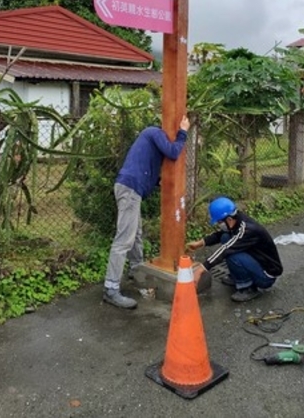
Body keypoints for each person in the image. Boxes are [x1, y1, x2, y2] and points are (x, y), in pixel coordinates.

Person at [103, 115, 190, 309]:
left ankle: (136, 270)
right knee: (124, 239)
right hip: (130, 189)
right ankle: (111, 288)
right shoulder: (154, 132)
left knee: (136, 235)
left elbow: (150, 169)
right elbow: (174, 152)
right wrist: (183, 132)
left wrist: (160, 182)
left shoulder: (151, 139)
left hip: (132, 189)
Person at [186, 196, 283, 302]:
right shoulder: (237, 220)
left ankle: (247, 287)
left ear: (229, 219)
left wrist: (201, 268)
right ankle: (237, 276)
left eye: (219, 222)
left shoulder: (247, 230)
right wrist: (200, 243)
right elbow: (221, 234)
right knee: (225, 237)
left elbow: (226, 249)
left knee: (232, 254)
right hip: (257, 260)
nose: (219, 225)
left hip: (266, 276)